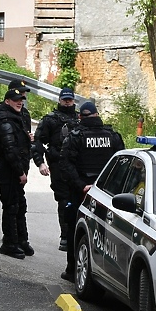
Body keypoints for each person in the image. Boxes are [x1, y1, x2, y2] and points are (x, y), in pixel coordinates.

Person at [58, 101, 125, 282]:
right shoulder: (113, 136)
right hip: (108, 195)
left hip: (81, 193)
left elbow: (65, 165)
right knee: (106, 233)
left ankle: (73, 270)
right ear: (97, 115)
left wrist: (82, 185)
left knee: (76, 228)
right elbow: (122, 165)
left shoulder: (75, 136)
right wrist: (108, 187)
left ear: (80, 116)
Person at [0, 79, 34, 259]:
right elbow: (9, 148)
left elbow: (22, 140)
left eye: (23, 95)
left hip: (19, 164)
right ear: (9, 98)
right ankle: (9, 242)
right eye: (18, 95)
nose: (22, 98)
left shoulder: (22, 113)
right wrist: (20, 172)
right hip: (8, 167)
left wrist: (28, 138)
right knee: (11, 204)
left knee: (19, 203)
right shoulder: (2, 117)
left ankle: (21, 240)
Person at [31, 87, 78, 251]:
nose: (67, 102)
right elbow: (37, 142)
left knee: (80, 201)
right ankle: (65, 237)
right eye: (64, 99)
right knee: (64, 201)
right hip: (58, 165)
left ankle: (76, 236)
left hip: (78, 167)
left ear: (73, 101)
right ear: (59, 100)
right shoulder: (50, 120)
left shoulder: (80, 119)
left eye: (69, 100)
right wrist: (40, 163)